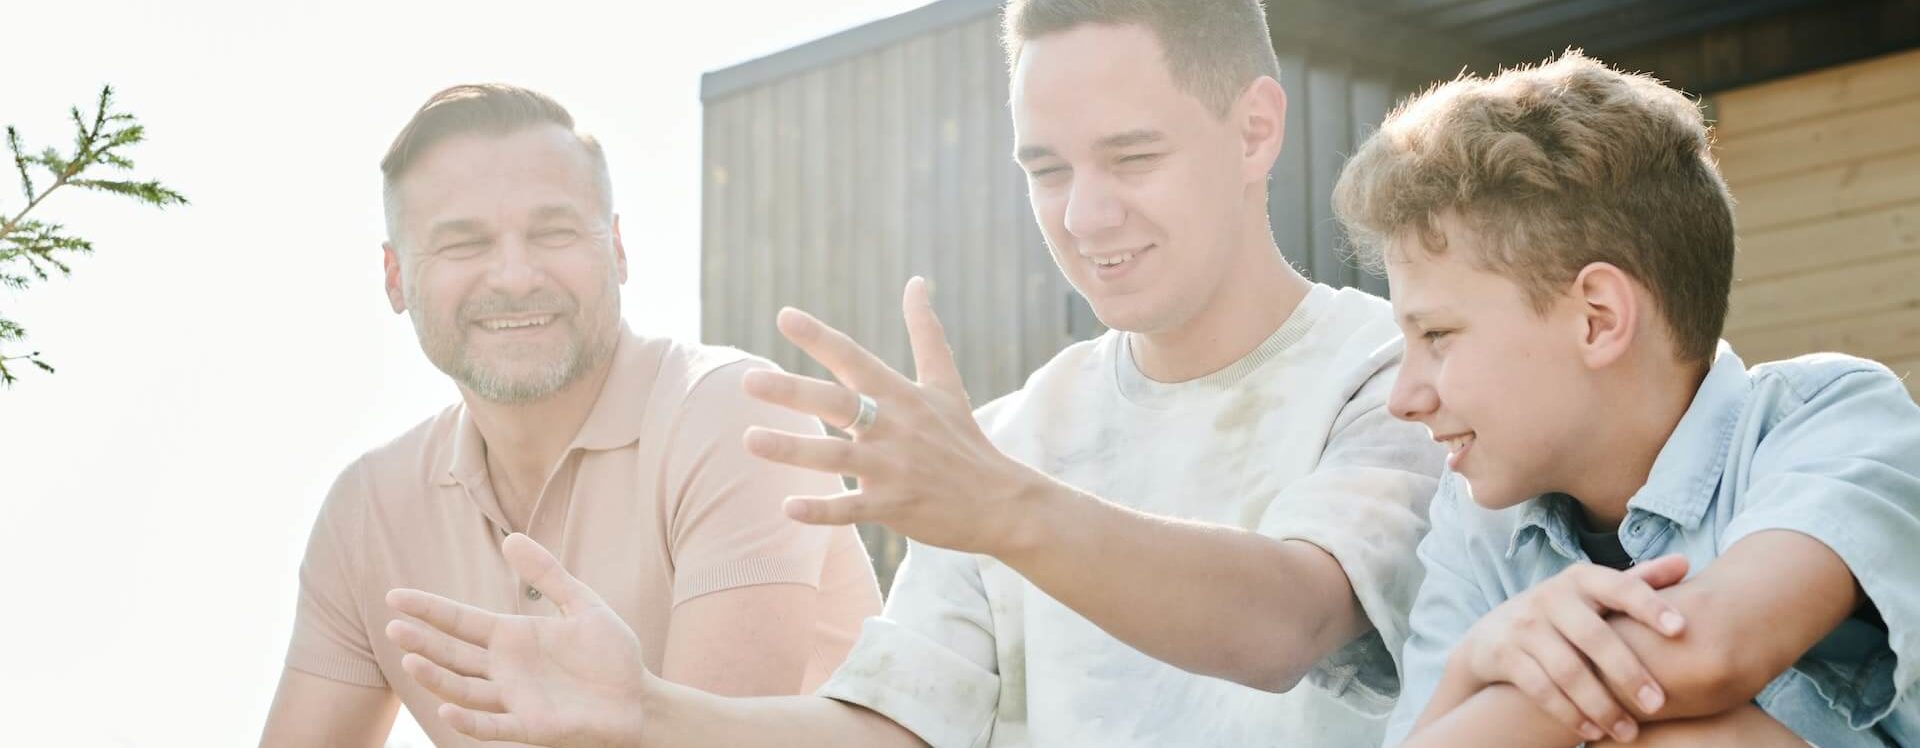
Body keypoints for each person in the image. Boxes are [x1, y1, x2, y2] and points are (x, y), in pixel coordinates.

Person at [383, 1, 1445, 746]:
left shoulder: (1400, 374)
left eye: (1132, 158)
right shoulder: (1008, 440)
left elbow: (1289, 622)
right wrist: (648, 712)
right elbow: (893, 729)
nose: (1084, 215)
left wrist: (1000, 506)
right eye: (1046, 169)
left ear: (1256, 128)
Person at [258, 83, 881, 747]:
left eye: (552, 232)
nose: (515, 276)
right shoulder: (368, 513)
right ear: (394, 277)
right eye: (462, 243)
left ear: (616, 249)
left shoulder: (739, 416)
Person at [1332, 52, 1920, 747]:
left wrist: (1513, 693)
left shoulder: (1835, 418)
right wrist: (1474, 658)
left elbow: (1706, 650)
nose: (1403, 399)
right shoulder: (1476, 527)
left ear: (1598, 318)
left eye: (1435, 334)